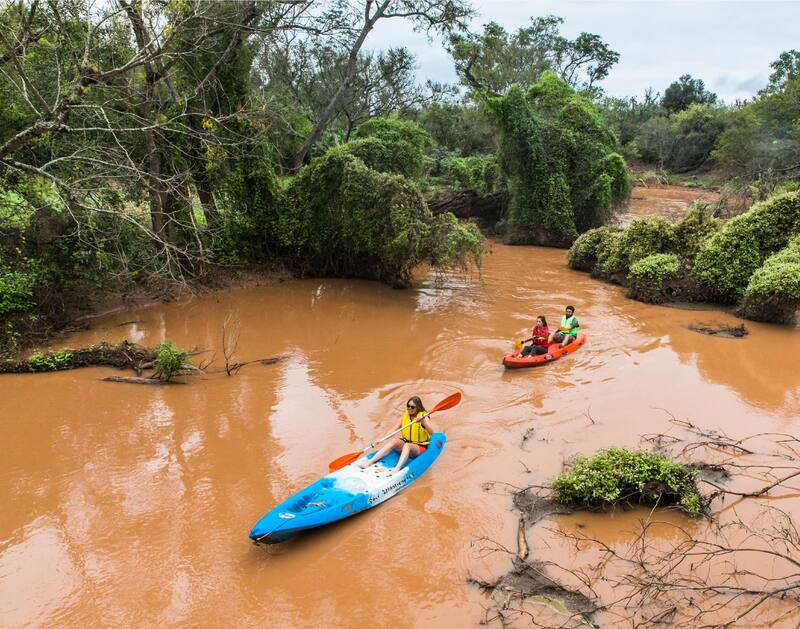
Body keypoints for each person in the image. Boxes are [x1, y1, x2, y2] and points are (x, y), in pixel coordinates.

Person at [360, 396, 435, 473]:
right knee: (394, 441)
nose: (409, 408)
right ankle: (369, 462)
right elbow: (394, 429)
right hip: (406, 441)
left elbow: (432, 433)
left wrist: (423, 422)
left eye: (412, 407)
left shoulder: (424, 417)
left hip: (419, 447)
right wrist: (382, 439)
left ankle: (397, 469)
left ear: (418, 407)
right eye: (408, 406)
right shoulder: (406, 415)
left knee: (407, 445)